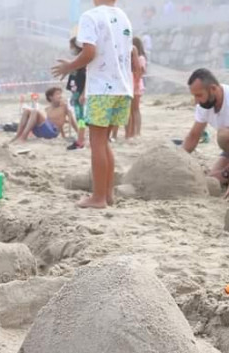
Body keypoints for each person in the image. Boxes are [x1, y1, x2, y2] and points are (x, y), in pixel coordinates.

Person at [52, 0, 133, 209]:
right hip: (123, 89)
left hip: (102, 89)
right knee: (104, 142)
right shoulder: (123, 17)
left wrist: (69, 66)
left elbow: (89, 53)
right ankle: (108, 194)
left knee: (97, 143)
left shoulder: (90, 16)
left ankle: (98, 198)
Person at [182, 68, 229, 185]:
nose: (196, 101)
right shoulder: (204, 105)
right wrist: (177, 158)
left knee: (224, 135)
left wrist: (226, 173)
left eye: (199, 95)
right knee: (212, 180)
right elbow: (193, 136)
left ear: (213, 88)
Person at [10, 87, 78, 143]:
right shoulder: (47, 109)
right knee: (26, 111)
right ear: (51, 97)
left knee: (35, 111)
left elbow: (71, 122)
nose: (60, 96)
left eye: (60, 94)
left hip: (52, 132)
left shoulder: (65, 107)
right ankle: (18, 136)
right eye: (57, 94)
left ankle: (23, 137)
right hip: (41, 131)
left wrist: (79, 134)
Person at [66, 37, 88, 151]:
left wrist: (83, 94)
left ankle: (80, 141)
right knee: (79, 117)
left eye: (72, 46)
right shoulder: (78, 61)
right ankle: (80, 139)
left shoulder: (84, 63)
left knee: (81, 119)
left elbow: (87, 79)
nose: (70, 49)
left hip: (80, 94)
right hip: (76, 93)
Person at [127, 36, 147, 139]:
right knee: (131, 110)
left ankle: (137, 131)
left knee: (135, 110)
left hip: (136, 85)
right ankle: (132, 131)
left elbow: (141, 71)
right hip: (133, 84)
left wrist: (136, 80)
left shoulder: (140, 58)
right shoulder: (134, 58)